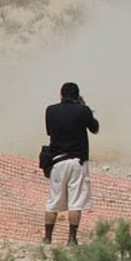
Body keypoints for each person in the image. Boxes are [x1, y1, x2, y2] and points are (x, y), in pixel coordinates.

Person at [42, 82, 99, 245]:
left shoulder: (50, 110)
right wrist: (84, 108)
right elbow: (95, 128)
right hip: (77, 162)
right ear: (77, 96)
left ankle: (47, 238)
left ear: (61, 95)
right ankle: (72, 239)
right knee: (76, 202)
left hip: (57, 161)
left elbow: (49, 131)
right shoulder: (83, 111)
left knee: (53, 202)